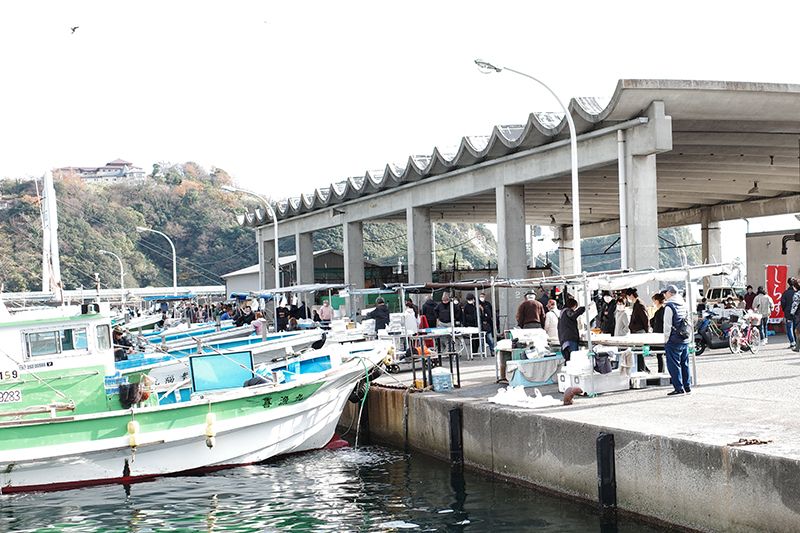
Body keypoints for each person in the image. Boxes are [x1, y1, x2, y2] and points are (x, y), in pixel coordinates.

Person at [662, 284, 691, 396]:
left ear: (670, 293)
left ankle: (678, 388)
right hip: (684, 338)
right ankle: (687, 386)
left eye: (665, 293)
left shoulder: (669, 306)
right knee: (685, 363)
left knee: (674, 365)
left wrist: (666, 339)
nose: (664, 295)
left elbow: (667, 325)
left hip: (674, 339)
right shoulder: (683, 304)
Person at [557, 298, 585, 362]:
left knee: (568, 359)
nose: (574, 309)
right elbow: (573, 315)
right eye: (575, 307)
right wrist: (582, 309)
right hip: (570, 338)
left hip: (564, 339)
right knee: (574, 359)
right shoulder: (567, 311)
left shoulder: (562, 313)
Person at [650, 293, 666, 373]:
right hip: (658, 335)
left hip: (660, 336)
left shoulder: (662, 311)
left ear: (657, 301)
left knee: (660, 355)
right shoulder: (659, 311)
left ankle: (661, 371)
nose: (653, 303)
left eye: (654, 301)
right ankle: (661, 371)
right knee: (659, 355)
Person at [780, 278, 796, 349]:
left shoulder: (785, 293)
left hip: (788, 313)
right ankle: (797, 342)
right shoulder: (797, 292)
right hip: (796, 313)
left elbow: (782, 303)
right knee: (796, 327)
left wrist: (784, 309)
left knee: (789, 328)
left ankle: (792, 342)